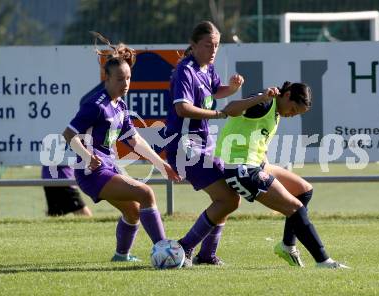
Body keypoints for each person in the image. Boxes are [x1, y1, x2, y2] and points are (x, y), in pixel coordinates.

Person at [62, 32, 181, 262]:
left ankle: (121, 256)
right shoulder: (95, 105)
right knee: (145, 193)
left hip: (108, 167)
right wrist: (87, 156)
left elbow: (135, 140)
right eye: (119, 79)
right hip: (92, 172)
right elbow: (68, 135)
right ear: (106, 79)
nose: (125, 83)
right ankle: (165, 252)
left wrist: (161, 163)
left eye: (127, 78)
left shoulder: (120, 105)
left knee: (133, 210)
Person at [214, 81, 350, 269]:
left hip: (257, 164)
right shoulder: (265, 102)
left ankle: (287, 245)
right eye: (293, 109)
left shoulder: (275, 110)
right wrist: (261, 97)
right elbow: (229, 109)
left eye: (297, 114)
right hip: (240, 169)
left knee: (304, 191)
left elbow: (255, 136)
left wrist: (265, 162)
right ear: (286, 95)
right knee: (295, 207)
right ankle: (323, 261)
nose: (292, 115)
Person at [163, 20, 244, 267]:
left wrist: (231, 89)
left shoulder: (207, 68)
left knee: (230, 197)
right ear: (194, 45)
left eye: (217, 45)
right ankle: (185, 247)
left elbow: (214, 91)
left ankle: (206, 255)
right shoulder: (185, 70)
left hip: (203, 145)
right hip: (185, 147)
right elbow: (183, 108)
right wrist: (220, 114)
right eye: (208, 45)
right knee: (228, 199)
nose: (213, 50)